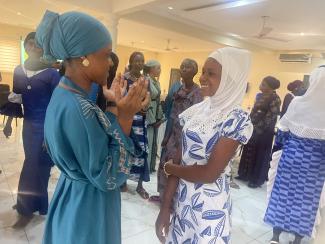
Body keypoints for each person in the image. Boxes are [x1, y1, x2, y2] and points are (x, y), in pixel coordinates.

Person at [35, 10, 149, 244]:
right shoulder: (78, 107)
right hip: (88, 210)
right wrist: (126, 118)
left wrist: (112, 105)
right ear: (83, 57)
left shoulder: (69, 94)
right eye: (106, 55)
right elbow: (109, 176)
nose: (110, 63)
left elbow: (95, 141)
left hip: (75, 196)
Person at [155, 47, 253, 243]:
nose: (202, 78)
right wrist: (165, 208)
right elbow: (179, 158)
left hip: (210, 208)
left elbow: (209, 174)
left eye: (211, 73)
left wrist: (169, 168)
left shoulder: (236, 119)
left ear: (229, 80)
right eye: (203, 71)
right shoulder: (196, 112)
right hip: (183, 202)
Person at [4, 32, 61, 228]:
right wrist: (8, 123)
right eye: (30, 44)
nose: (34, 47)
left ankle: (26, 208)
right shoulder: (18, 70)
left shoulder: (52, 74)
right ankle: (33, 203)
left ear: (43, 48)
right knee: (33, 164)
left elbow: (57, 107)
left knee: (37, 166)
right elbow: (15, 100)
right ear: (26, 46)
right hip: (28, 127)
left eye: (38, 45)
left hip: (46, 127)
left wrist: (52, 134)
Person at [264, 66, 325, 244]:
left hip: (290, 159)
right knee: (306, 204)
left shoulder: (298, 103)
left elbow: (282, 134)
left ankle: (275, 236)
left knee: (282, 196)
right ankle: (297, 240)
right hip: (315, 167)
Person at [151, 59, 202, 203]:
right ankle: (162, 195)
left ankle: (172, 200)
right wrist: (166, 136)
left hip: (185, 137)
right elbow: (173, 113)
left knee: (176, 166)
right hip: (173, 133)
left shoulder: (197, 93)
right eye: (183, 66)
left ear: (195, 71)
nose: (184, 69)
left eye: (188, 67)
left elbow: (195, 121)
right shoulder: (179, 88)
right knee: (164, 163)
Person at [236, 76, 281, 188]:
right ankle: (244, 175)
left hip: (264, 133)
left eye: (264, 84)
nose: (261, 85)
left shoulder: (275, 98)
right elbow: (254, 112)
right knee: (248, 152)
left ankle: (255, 180)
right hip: (253, 129)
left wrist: (257, 129)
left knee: (259, 155)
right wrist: (249, 125)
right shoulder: (260, 96)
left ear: (270, 87)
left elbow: (270, 117)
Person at [121, 51, 151, 199]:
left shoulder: (145, 80)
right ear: (131, 62)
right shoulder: (124, 79)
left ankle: (140, 185)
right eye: (137, 61)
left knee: (142, 150)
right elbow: (122, 98)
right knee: (127, 149)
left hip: (140, 120)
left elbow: (147, 100)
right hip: (128, 119)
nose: (139, 64)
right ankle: (122, 181)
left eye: (142, 61)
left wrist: (143, 107)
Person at [144, 60, 164, 173]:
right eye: (158, 68)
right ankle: (145, 168)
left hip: (156, 113)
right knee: (148, 141)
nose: (160, 70)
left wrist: (160, 116)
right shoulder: (147, 80)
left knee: (153, 143)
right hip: (149, 113)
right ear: (151, 69)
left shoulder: (156, 82)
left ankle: (151, 166)